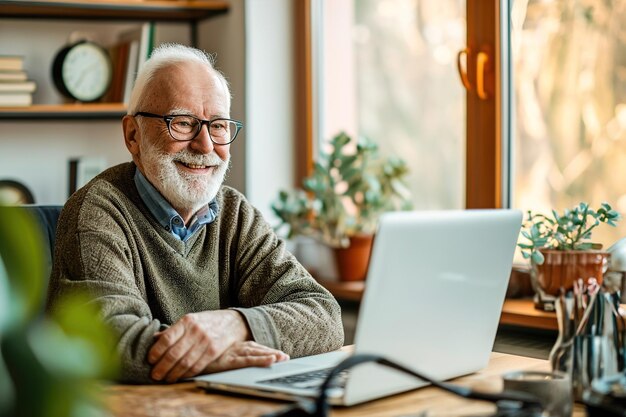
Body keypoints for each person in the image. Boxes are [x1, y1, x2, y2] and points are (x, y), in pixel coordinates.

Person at [46, 43, 344, 384]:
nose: (205, 145)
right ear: (133, 134)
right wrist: (215, 355)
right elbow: (104, 338)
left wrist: (235, 325)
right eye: (183, 123)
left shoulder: (235, 214)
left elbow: (323, 315)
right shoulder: (98, 210)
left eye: (217, 126)